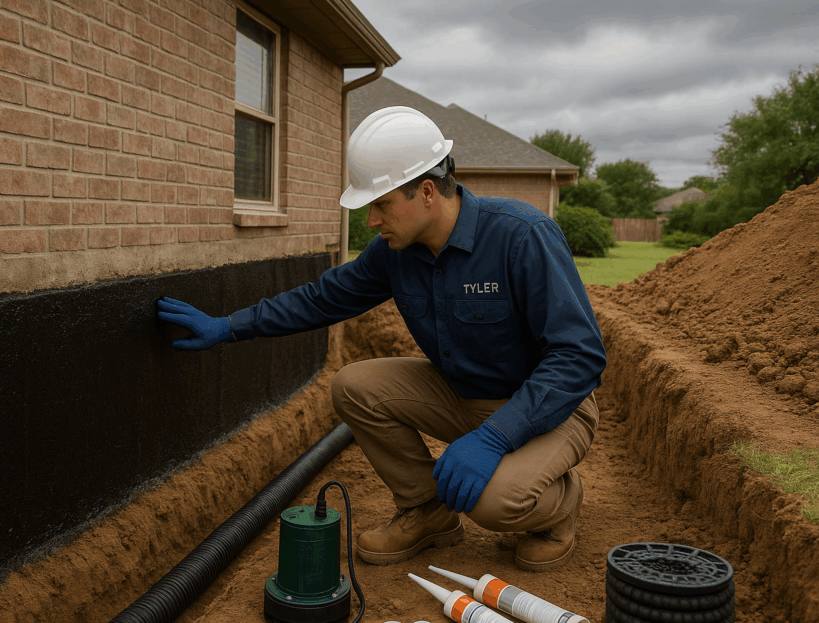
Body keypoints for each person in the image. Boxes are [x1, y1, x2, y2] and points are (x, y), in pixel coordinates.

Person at [157, 106, 606, 572]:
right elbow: (321, 299)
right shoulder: (395, 253)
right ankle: (429, 512)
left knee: (491, 504)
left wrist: (494, 437)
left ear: (427, 192)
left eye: (381, 203)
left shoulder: (521, 236)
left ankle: (561, 507)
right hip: (465, 394)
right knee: (354, 386)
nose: (371, 219)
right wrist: (227, 326)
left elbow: (579, 356)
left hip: (549, 410)